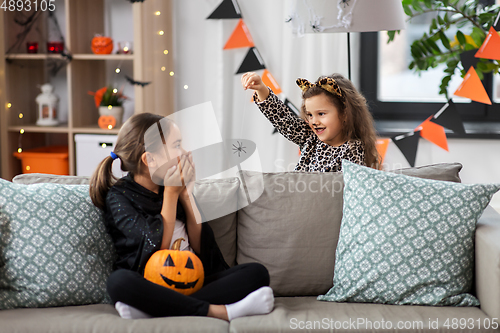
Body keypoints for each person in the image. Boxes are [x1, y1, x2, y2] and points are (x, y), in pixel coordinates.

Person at [89, 113, 273, 321]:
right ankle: (220, 312)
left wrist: (186, 196)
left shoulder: (175, 186)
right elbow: (154, 246)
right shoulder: (120, 196)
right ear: (149, 159)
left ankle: (153, 309)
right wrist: (171, 194)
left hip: (193, 279)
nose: (185, 152)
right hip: (148, 282)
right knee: (119, 282)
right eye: (177, 145)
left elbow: (202, 246)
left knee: (257, 273)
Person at [241, 72, 380, 171]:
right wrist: (261, 89)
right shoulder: (309, 136)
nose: (314, 121)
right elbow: (283, 119)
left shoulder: (353, 149)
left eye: (321, 114)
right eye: (310, 115)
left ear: (344, 113)